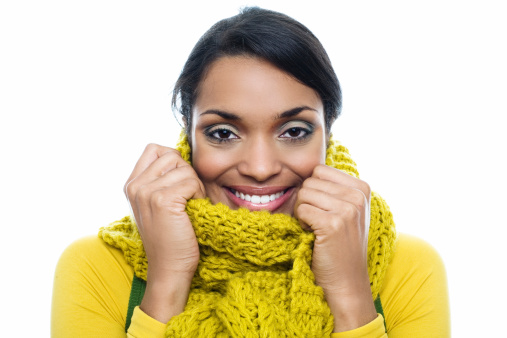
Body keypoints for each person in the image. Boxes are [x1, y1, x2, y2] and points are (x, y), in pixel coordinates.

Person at [51, 7, 450, 337]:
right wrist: (167, 279)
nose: (260, 168)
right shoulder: (97, 266)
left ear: (328, 134)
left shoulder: (406, 267)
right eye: (223, 133)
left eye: (294, 131)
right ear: (188, 137)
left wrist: (349, 293)